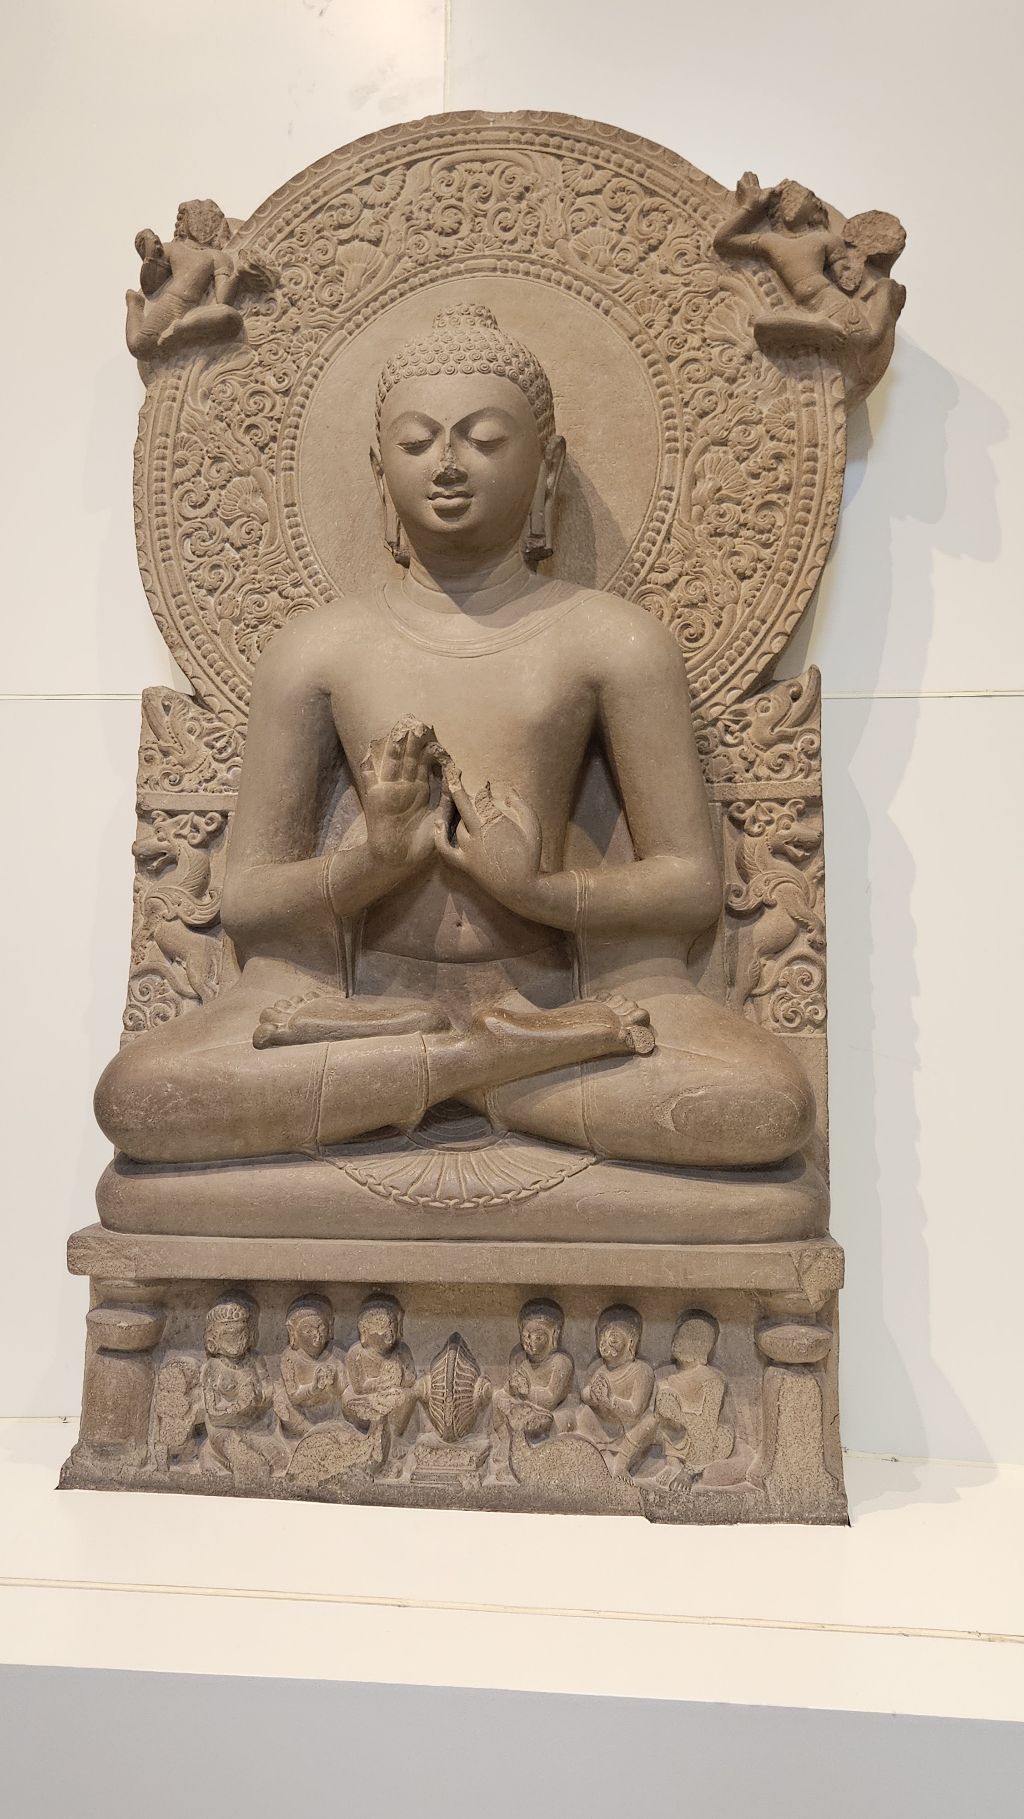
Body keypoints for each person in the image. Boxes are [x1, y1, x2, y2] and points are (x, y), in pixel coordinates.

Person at [96, 304, 814, 1171]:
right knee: (137, 1097)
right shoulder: (317, 649)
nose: (445, 464)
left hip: (572, 999)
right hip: (354, 1008)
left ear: (547, 466)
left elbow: (691, 884)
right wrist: (371, 863)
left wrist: (542, 890)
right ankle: (487, 1072)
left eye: (483, 439)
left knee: (768, 1106)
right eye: (416, 441)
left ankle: (434, 1079)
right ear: (379, 469)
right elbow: (246, 897)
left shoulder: (615, 642)